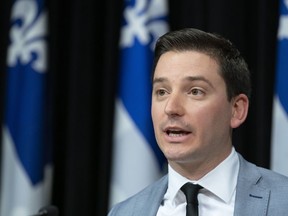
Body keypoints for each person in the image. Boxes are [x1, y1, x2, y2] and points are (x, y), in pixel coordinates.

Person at [108, 28, 288, 216]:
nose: (171, 108)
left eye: (195, 91)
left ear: (236, 110)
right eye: (162, 92)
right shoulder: (124, 212)